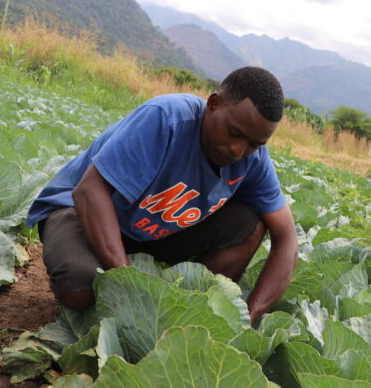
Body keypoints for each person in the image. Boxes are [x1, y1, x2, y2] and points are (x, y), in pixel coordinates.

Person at [26, 66, 298, 324]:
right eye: (235, 133)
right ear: (214, 104)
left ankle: (195, 306)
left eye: (254, 144)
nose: (238, 150)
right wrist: (130, 283)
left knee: (250, 222)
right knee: (80, 288)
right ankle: (106, 270)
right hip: (80, 211)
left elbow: (286, 239)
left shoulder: (253, 159)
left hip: (149, 230)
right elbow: (89, 191)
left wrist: (247, 319)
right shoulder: (167, 118)